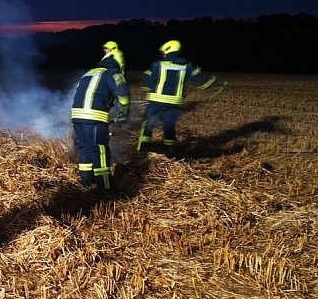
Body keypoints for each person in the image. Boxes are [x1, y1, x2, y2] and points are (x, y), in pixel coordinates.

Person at [136, 39, 225, 152]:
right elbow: (200, 80)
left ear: (167, 50)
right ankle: (170, 149)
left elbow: (147, 79)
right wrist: (216, 86)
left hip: (156, 101)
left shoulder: (158, 64)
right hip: (174, 102)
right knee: (169, 125)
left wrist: (149, 90)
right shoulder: (187, 65)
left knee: (148, 123)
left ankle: (143, 149)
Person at [70, 48, 130, 193]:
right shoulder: (113, 73)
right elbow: (123, 94)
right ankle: (105, 189)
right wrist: (124, 111)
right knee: (100, 151)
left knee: (85, 148)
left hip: (77, 117)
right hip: (94, 118)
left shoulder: (89, 72)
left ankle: (86, 183)